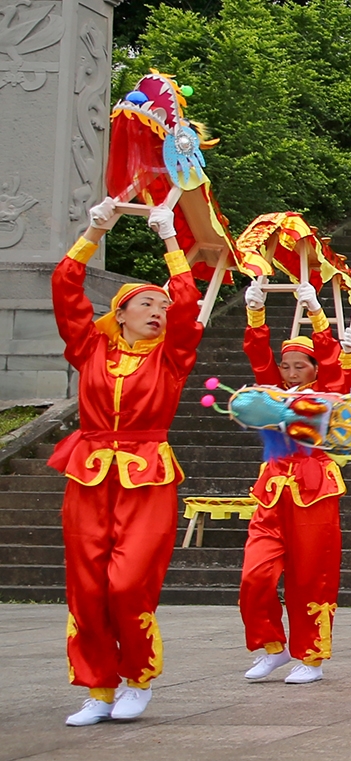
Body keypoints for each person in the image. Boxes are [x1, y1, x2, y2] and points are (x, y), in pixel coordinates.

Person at [50, 198, 203, 726]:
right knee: (87, 585)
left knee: (128, 582)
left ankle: (137, 678)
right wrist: (94, 229)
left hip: (147, 473)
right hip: (89, 469)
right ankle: (97, 688)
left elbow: (187, 306)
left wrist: (169, 243)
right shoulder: (90, 348)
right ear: (120, 314)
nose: (159, 312)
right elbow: (65, 288)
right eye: (147, 305)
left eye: (161, 307)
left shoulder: (173, 357)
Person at [239, 279, 351, 685]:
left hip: (314, 487)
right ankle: (272, 646)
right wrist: (255, 313)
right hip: (272, 489)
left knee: (311, 576)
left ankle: (310, 655)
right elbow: (257, 357)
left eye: (299, 366)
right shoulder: (269, 392)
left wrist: (317, 314)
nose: (290, 373)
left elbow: (331, 360)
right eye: (286, 365)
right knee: (255, 575)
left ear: (314, 370)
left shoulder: (328, 392)